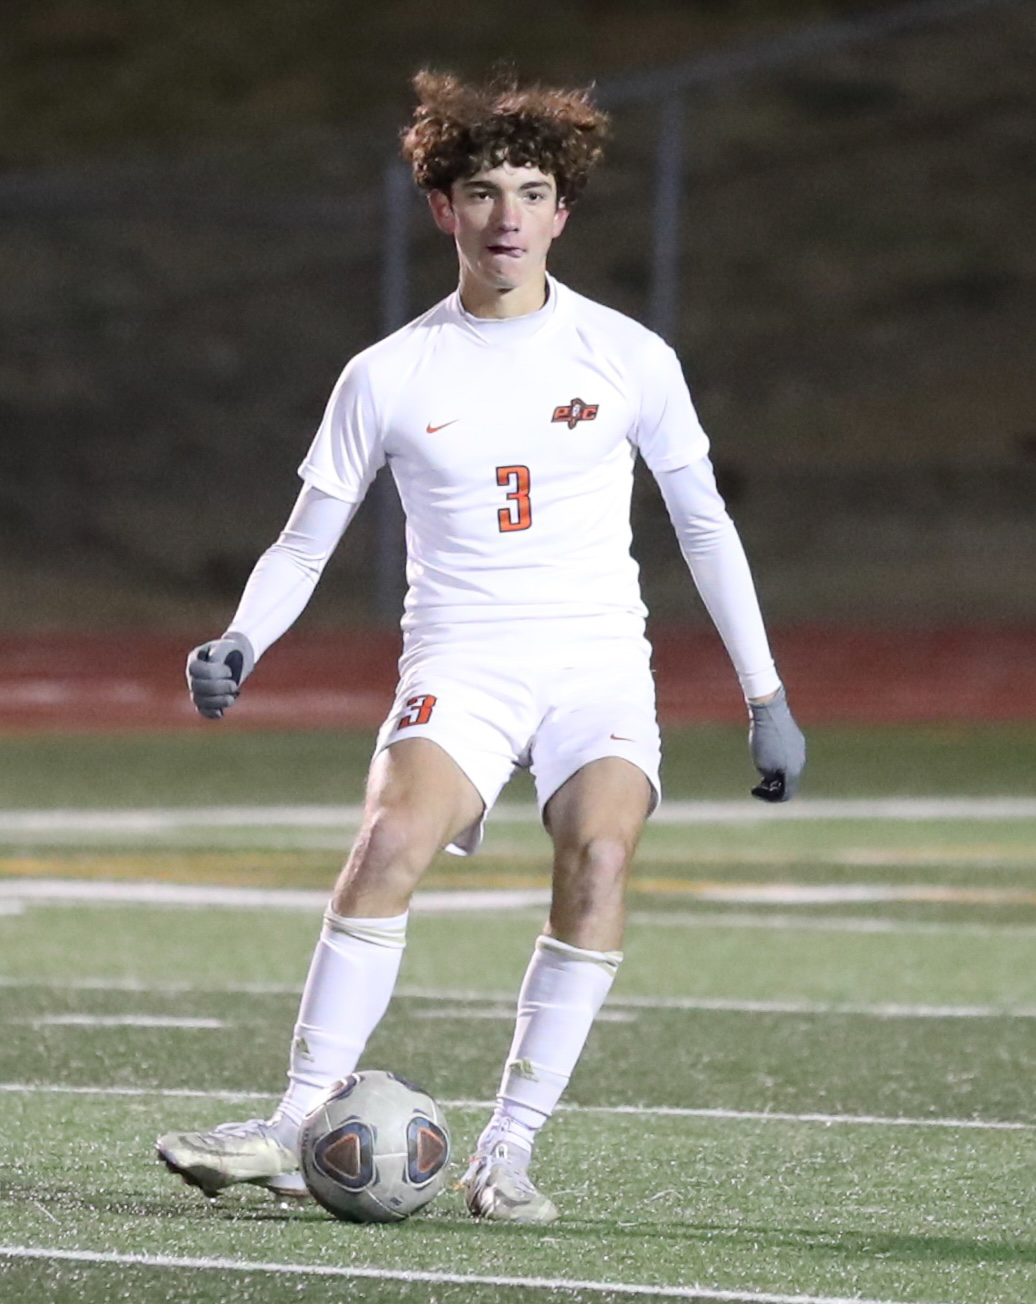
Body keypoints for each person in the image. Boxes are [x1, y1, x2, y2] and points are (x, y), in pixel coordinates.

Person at [156, 69, 805, 1225]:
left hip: (596, 664)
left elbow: (704, 526)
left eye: (532, 192)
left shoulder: (627, 356)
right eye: (483, 192)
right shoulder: (388, 373)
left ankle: (508, 1149)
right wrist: (243, 635)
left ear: (563, 213)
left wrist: (766, 694)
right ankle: (294, 1122)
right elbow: (304, 541)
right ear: (442, 208)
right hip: (461, 661)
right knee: (389, 838)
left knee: (598, 855)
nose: (508, 215)